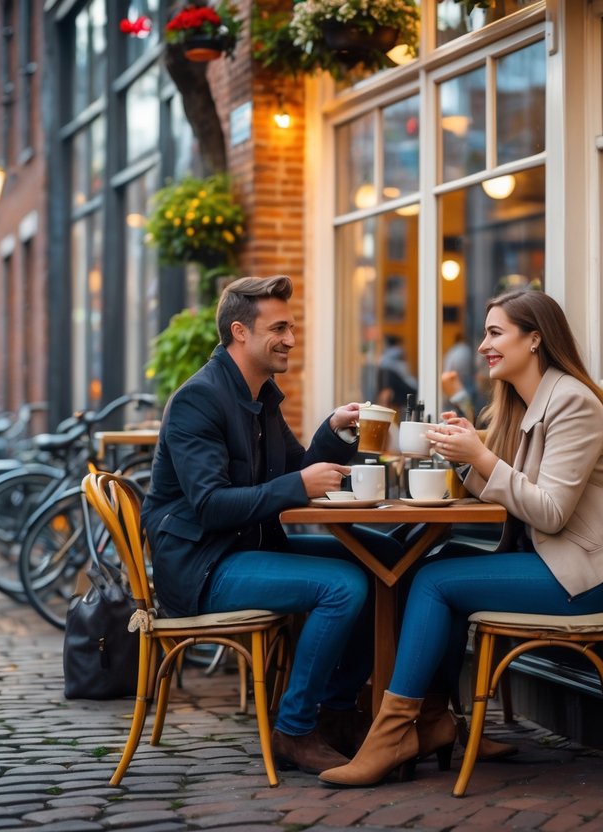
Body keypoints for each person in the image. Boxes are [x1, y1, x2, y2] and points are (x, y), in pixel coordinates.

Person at [319, 289, 603, 788]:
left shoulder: (573, 402)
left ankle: (392, 734)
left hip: (584, 577)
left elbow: (549, 512)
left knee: (436, 581)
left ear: (534, 339)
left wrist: (481, 457)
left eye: (494, 333)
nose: (484, 344)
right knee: (427, 567)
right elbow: (515, 492)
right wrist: (465, 454)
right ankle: (437, 721)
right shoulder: (523, 402)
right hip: (546, 561)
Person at [142, 275, 402, 776]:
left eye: (292, 326)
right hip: (203, 567)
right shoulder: (199, 399)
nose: (290, 338)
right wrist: (300, 484)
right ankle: (296, 729)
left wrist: (332, 431)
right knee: (344, 585)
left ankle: (339, 710)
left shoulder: (260, 396)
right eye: (278, 327)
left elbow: (294, 469)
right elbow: (211, 505)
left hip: (244, 549)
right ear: (240, 332)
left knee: (383, 562)